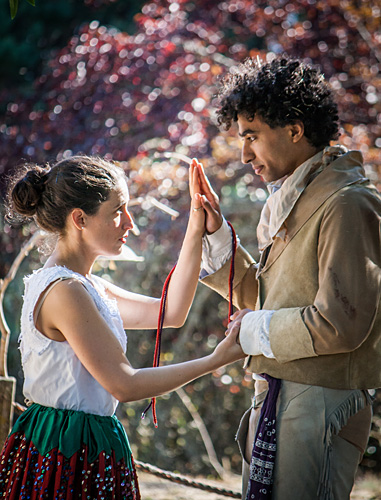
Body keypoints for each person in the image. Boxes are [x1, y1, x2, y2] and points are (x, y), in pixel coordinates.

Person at [0, 155, 244, 499]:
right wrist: (217, 360)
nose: (130, 222)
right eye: (118, 211)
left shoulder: (86, 286)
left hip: (82, 441)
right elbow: (124, 385)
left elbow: (170, 312)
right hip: (67, 448)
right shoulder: (66, 292)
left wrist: (195, 226)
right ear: (80, 219)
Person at [192, 55, 381, 500]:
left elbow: (340, 323)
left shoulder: (347, 203)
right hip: (282, 395)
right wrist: (217, 234)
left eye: (252, 136)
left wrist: (252, 330)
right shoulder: (293, 196)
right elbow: (269, 298)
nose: (243, 154)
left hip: (320, 399)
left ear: (295, 130)